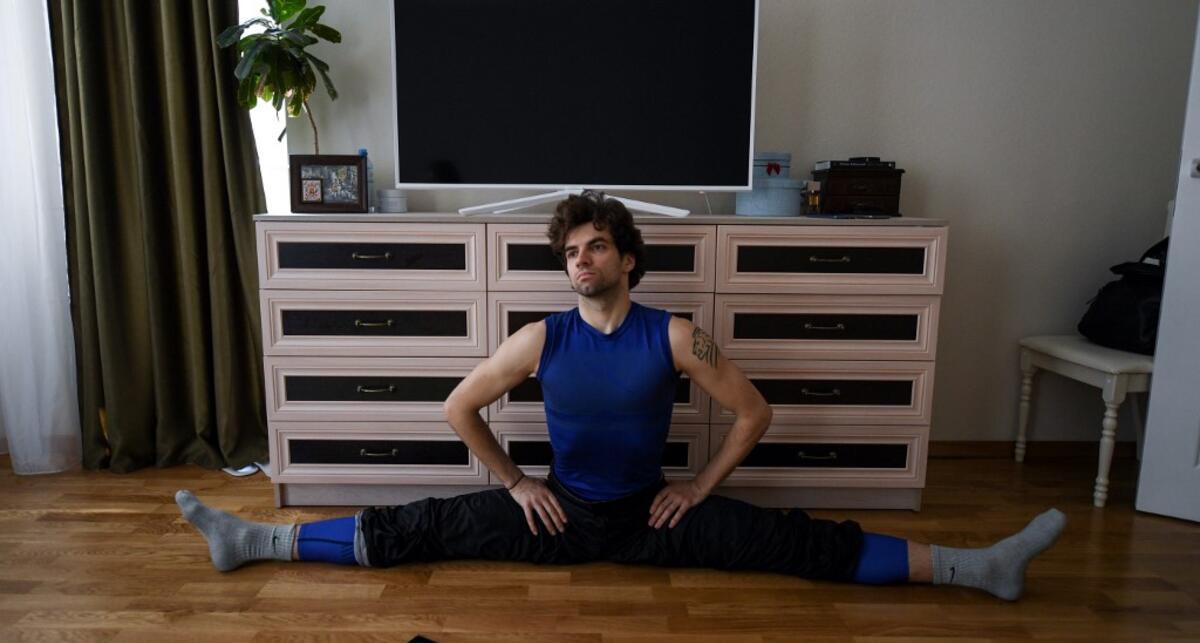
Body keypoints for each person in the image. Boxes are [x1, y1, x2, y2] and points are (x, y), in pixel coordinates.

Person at [177, 191, 1064, 600]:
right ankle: (255, 538)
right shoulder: (541, 338)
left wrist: (700, 487)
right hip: (555, 513)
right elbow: (458, 407)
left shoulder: (674, 333)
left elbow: (754, 411)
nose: (580, 260)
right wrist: (520, 484)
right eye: (570, 251)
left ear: (627, 258)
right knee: (417, 524)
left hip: (651, 513)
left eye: (596, 247)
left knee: (799, 543)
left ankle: (974, 566)